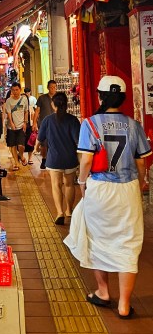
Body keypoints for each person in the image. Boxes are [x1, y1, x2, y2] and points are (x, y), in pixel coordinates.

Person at [65, 76, 150, 318]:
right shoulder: (134, 125)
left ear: (100, 96)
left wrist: (82, 183)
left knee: (98, 238)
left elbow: (87, 161)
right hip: (128, 188)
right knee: (128, 242)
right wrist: (140, 182)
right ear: (122, 98)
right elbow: (141, 162)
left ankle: (103, 292)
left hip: (100, 188)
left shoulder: (90, 124)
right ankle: (124, 305)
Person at [37, 92, 80, 224]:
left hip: (54, 159)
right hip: (70, 158)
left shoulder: (48, 120)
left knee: (56, 185)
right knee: (69, 185)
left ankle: (60, 212)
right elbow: (78, 141)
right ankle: (69, 210)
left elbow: (40, 138)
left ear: (53, 104)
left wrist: (36, 147)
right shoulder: (73, 120)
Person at [33, 80, 57, 169]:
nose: (53, 89)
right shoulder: (42, 98)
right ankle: (44, 159)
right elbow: (37, 111)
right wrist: (34, 123)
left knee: (54, 142)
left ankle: (53, 160)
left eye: (54, 87)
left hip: (56, 124)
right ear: (48, 87)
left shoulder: (58, 98)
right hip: (44, 124)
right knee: (44, 143)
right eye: (51, 87)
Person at [4, 82, 29, 169]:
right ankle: (16, 163)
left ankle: (21, 156)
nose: (15, 92)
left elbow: (26, 111)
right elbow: (9, 113)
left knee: (21, 145)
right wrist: (11, 123)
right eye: (13, 90)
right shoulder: (8, 101)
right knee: (13, 145)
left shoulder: (24, 99)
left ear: (20, 90)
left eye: (17, 90)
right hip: (11, 127)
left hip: (21, 126)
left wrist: (25, 123)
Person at [24, 87, 38, 165]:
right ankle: (22, 157)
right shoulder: (20, 107)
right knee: (22, 143)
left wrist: (35, 125)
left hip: (30, 126)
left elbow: (33, 116)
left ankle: (30, 158)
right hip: (21, 127)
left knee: (30, 142)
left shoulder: (31, 106)